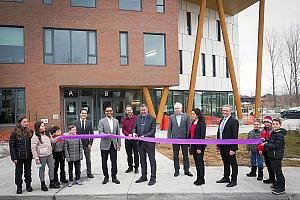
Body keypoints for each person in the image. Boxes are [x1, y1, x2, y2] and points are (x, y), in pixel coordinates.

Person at [31, 121, 60, 191]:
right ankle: (43, 184)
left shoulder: (47, 134)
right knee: (42, 170)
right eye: (42, 126)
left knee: (52, 168)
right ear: (38, 128)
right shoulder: (35, 137)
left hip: (49, 154)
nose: (44, 127)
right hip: (41, 156)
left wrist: (58, 138)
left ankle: (52, 183)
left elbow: (52, 141)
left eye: (44, 126)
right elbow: (33, 149)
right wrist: (36, 158)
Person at [261, 118, 287, 195]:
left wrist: (266, 144)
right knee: (275, 171)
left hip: (276, 156)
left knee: (278, 172)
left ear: (280, 125)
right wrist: (265, 140)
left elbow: (276, 146)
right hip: (273, 155)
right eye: (273, 124)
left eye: (276, 124)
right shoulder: (274, 133)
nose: (274, 125)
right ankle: (277, 184)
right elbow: (272, 141)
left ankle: (281, 188)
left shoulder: (279, 134)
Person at [133, 104, 157, 186]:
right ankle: (144, 176)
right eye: (141, 110)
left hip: (149, 143)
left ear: (147, 110)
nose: (143, 111)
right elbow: (135, 127)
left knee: (152, 161)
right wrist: (134, 133)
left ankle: (153, 178)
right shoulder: (138, 117)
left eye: (144, 110)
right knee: (142, 160)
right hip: (140, 143)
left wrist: (145, 136)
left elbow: (153, 131)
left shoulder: (152, 118)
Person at [9, 115, 33, 194]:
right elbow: (12, 146)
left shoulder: (30, 131)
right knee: (19, 172)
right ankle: (19, 187)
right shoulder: (14, 132)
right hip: (18, 157)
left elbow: (33, 143)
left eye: (26, 121)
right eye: (24, 122)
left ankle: (28, 185)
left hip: (28, 156)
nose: (26, 123)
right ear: (19, 123)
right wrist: (14, 157)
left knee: (28, 171)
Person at [216, 105, 239, 187]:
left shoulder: (234, 121)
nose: (224, 112)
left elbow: (235, 135)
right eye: (223, 110)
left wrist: (233, 148)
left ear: (230, 111)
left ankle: (234, 180)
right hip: (222, 146)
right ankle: (226, 177)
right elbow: (219, 132)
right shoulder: (222, 120)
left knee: (233, 164)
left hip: (230, 147)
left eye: (226, 110)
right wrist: (218, 144)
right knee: (225, 163)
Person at [167, 102, 192, 177]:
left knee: (185, 155)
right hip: (175, 139)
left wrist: (188, 139)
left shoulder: (186, 116)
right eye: (175, 108)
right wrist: (169, 138)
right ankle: (176, 170)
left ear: (181, 108)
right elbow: (169, 129)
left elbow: (189, 128)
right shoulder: (171, 117)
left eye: (178, 108)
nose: (177, 110)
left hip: (184, 139)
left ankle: (186, 170)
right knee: (175, 156)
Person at [98, 106, 121, 185]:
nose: (109, 112)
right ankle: (106, 177)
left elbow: (118, 133)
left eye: (110, 111)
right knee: (104, 161)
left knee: (114, 161)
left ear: (112, 111)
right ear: (105, 112)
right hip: (104, 144)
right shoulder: (101, 121)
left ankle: (114, 177)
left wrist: (119, 144)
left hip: (113, 145)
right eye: (107, 111)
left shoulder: (116, 121)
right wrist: (107, 135)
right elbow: (100, 132)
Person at [74, 108, 94, 178]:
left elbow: (92, 134)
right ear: (80, 114)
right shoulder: (75, 123)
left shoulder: (89, 123)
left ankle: (89, 173)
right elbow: (73, 134)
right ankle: (77, 173)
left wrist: (90, 144)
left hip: (86, 144)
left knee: (88, 159)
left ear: (86, 114)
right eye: (82, 113)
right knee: (78, 159)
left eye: (85, 113)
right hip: (77, 144)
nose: (84, 115)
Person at [190, 108, 206, 186]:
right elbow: (191, 134)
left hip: (199, 146)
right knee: (196, 162)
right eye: (192, 114)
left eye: (193, 114)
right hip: (193, 145)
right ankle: (198, 177)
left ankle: (202, 179)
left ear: (197, 115)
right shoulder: (193, 122)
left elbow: (202, 136)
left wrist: (199, 147)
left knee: (200, 162)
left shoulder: (202, 123)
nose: (192, 115)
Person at [122, 105, 139, 174]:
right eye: (127, 110)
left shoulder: (137, 118)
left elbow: (138, 128)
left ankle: (136, 167)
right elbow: (123, 129)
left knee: (136, 154)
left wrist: (134, 134)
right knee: (129, 154)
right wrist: (127, 134)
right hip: (127, 139)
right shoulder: (124, 120)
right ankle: (130, 167)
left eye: (130, 110)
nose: (129, 111)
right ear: (126, 111)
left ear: (132, 110)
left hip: (135, 139)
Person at [258, 116, 275, 184]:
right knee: (268, 165)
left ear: (271, 123)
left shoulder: (273, 131)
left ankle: (275, 179)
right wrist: (260, 149)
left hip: (271, 150)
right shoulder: (263, 131)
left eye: (268, 122)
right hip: (265, 149)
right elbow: (260, 141)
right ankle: (271, 178)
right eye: (265, 122)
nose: (266, 124)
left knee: (273, 165)